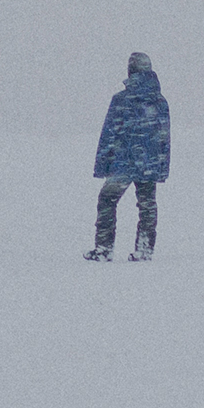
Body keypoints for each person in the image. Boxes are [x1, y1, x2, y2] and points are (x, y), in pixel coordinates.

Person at [88, 51, 170, 260]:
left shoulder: (122, 99)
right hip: (149, 163)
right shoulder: (160, 101)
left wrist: (103, 165)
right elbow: (164, 139)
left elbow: (109, 134)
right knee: (147, 204)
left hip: (123, 162)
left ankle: (104, 249)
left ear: (131, 70)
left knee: (107, 200)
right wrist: (161, 168)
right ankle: (144, 250)